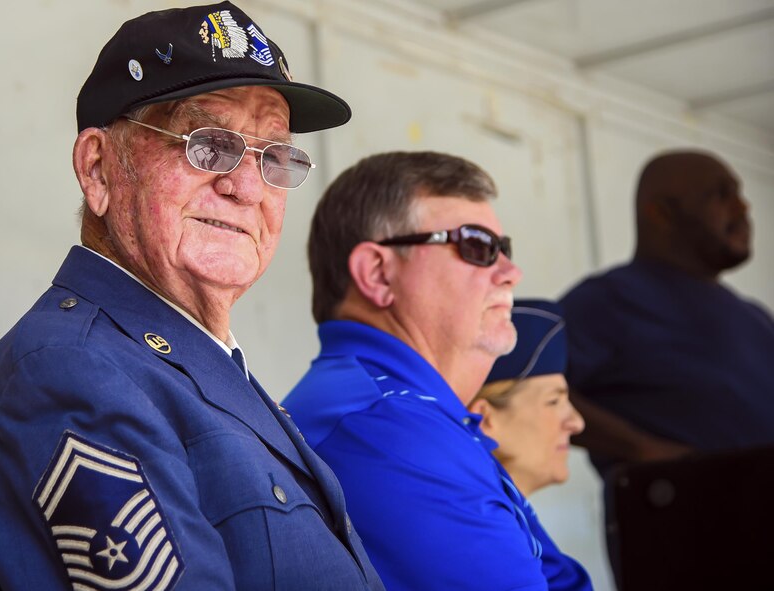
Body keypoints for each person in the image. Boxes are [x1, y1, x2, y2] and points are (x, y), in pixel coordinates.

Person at [0, 4, 384, 590]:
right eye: (208, 144)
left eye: (274, 156)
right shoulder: (69, 372)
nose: (247, 187)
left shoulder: (193, 368)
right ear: (98, 169)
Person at [284, 150, 562, 590]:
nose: (511, 272)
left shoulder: (409, 414)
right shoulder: (385, 431)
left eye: (503, 250)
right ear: (377, 273)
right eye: (477, 245)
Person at [559, 149, 774, 475]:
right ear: (661, 213)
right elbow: (520, 385)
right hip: (685, 515)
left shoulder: (756, 318)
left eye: (740, 194)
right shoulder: (609, 299)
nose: (743, 207)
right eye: (720, 194)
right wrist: (641, 447)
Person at [470, 299, 591, 590]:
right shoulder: (478, 537)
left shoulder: (511, 526)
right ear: (484, 418)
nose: (577, 423)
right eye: (554, 401)